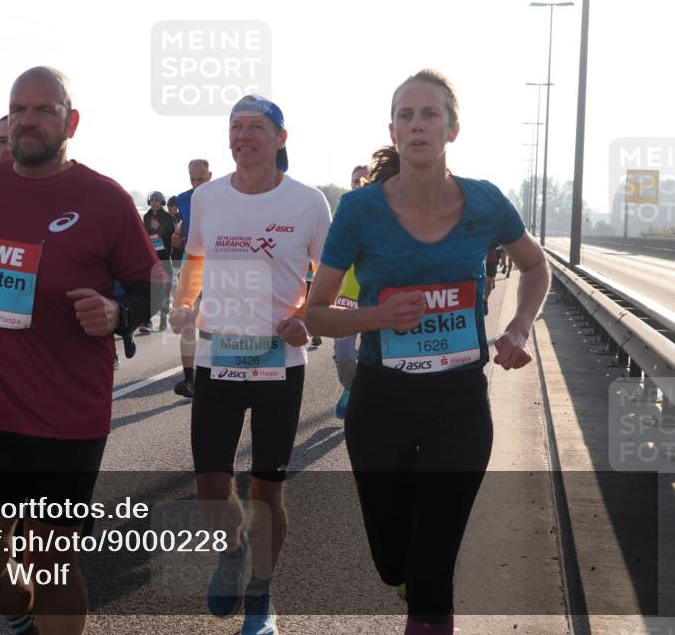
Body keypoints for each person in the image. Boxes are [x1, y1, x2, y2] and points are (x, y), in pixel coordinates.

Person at [305, 69, 550, 635]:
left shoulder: (486, 202)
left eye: (430, 114)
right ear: (393, 130)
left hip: (459, 404)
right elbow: (315, 312)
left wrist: (517, 328)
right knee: (395, 561)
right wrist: (375, 317)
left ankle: (429, 600)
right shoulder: (360, 211)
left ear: (453, 129)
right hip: (381, 402)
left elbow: (536, 266)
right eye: (407, 116)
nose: (418, 125)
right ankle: (412, 581)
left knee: (434, 568)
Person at [0, 66, 161, 635]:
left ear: (70, 122)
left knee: (50, 562)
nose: (27, 121)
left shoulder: (103, 198)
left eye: (43, 110)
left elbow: (153, 282)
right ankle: (23, 617)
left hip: (68, 418)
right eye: (18, 109)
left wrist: (117, 312)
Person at [170, 94, 330, 635]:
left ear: (280, 138)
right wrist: (185, 303)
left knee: (267, 489)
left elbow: (331, 279)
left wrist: (307, 315)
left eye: (256, 127)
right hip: (219, 359)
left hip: (279, 363)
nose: (243, 136)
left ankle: (261, 595)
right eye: (235, 127)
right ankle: (233, 550)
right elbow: (194, 259)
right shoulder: (207, 198)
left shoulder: (308, 203)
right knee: (211, 487)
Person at [171, 159, 212, 398]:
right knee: (185, 318)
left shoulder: (224, 195)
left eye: (201, 179)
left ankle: (216, 372)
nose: (197, 184)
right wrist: (179, 236)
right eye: (193, 179)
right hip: (192, 261)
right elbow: (186, 225)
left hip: (219, 264)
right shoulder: (184, 198)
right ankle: (189, 379)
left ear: (210, 175)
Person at [332, 163, 370, 420]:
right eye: (355, 180)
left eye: (364, 180)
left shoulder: (389, 214)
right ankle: (350, 387)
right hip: (346, 296)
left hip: (376, 298)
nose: (358, 184)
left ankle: (368, 397)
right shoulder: (344, 214)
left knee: (374, 354)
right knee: (344, 354)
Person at [140, 190, 175, 333]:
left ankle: (163, 318)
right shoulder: (147, 216)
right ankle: (147, 321)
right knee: (149, 289)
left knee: (165, 290)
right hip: (151, 258)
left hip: (165, 257)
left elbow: (171, 237)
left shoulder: (167, 217)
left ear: (162, 203)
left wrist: (158, 229)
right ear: (149, 202)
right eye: (152, 200)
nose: (154, 202)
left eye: (157, 200)